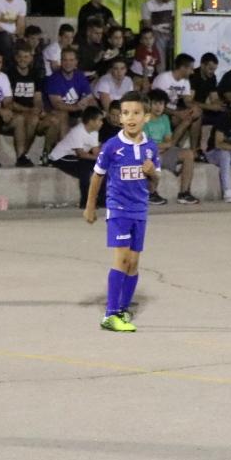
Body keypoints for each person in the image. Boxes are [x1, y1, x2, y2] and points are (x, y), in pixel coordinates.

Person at [84, 94, 160, 333]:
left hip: (140, 210)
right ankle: (110, 314)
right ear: (119, 118)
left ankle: (123, 309)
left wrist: (152, 174)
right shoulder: (112, 147)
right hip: (118, 209)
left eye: (136, 113)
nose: (130, 118)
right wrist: (90, 206)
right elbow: (97, 176)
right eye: (125, 113)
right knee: (122, 259)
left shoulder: (150, 148)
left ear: (146, 117)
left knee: (134, 263)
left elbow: (153, 186)